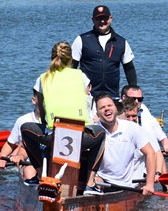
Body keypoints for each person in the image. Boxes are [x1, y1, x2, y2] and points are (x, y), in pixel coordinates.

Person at [20, 41, 105, 187]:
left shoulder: (43, 78)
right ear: (70, 59)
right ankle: (90, 183)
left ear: (52, 57)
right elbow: (86, 105)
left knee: (25, 129)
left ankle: (40, 176)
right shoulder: (81, 76)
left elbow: (41, 110)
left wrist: (45, 124)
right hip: (81, 135)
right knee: (102, 134)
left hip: (54, 135)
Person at [87, 94, 156, 196]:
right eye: (102, 107)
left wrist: (149, 184)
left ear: (115, 108)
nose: (107, 109)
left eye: (109, 105)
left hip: (126, 185)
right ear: (97, 113)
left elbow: (150, 153)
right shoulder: (93, 131)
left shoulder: (131, 128)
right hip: (101, 181)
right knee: (95, 180)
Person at [72, 5, 137, 99]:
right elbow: (71, 68)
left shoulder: (121, 42)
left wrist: (134, 93)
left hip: (112, 95)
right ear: (93, 20)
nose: (102, 21)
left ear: (110, 18)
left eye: (105, 18)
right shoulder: (82, 40)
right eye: (98, 18)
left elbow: (129, 69)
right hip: (87, 95)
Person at [121, 97, 168, 190]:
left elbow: (158, 154)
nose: (131, 119)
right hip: (121, 180)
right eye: (128, 116)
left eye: (134, 116)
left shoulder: (143, 132)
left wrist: (157, 173)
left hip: (136, 182)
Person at [0, 90, 41, 181]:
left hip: (47, 161)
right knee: (29, 171)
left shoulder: (54, 121)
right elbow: (10, 143)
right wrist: (2, 157)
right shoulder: (22, 120)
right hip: (26, 163)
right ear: (34, 100)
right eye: (42, 99)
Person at [121, 84, 168, 156]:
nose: (137, 102)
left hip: (152, 154)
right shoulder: (118, 111)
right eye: (133, 99)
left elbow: (154, 125)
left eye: (140, 99)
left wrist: (165, 141)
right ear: (124, 97)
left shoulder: (143, 108)